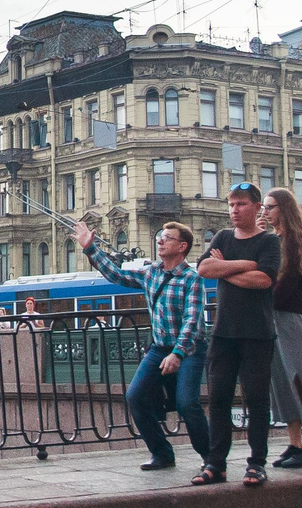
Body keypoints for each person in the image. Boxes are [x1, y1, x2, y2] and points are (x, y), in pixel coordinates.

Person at [75, 217, 204, 473]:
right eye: (160, 236)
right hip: (159, 348)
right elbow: (116, 275)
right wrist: (90, 248)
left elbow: (192, 321)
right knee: (135, 396)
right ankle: (162, 453)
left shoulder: (192, 278)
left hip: (189, 350)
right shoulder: (151, 272)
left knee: (187, 403)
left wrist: (177, 354)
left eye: (167, 238)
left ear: (182, 246)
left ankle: (211, 457)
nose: (160, 240)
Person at [194, 184, 279, 486]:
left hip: (257, 333)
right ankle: (215, 463)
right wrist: (243, 265)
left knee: (256, 400)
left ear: (257, 207)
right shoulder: (222, 237)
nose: (235, 209)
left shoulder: (269, 241)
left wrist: (224, 267)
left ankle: (256, 463)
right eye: (231, 204)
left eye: (242, 204)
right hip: (223, 333)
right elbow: (203, 268)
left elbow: (263, 280)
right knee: (218, 399)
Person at [261, 188, 302, 471]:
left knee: (300, 381)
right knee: (283, 382)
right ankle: (294, 443)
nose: (265, 212)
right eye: (264, 207)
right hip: (277, 317)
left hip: (291, 318)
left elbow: (286, 282)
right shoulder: (274, 239)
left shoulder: (294, 240)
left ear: (284, 209)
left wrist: (261, 297)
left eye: (270, 207)